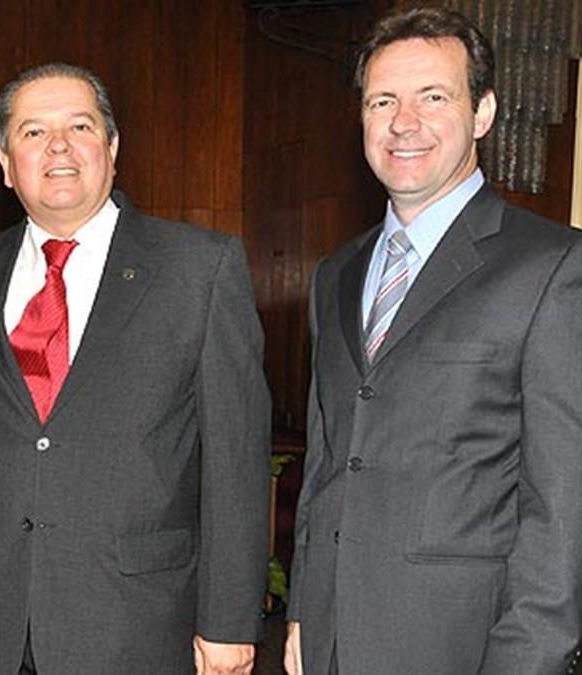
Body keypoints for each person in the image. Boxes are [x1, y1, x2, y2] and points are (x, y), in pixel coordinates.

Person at [285, 7, 582, 674]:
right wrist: (304, 608)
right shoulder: (336, 274)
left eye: (433, 97)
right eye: (382, 100)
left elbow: (563, 507)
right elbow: (329, 465)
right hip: (330, 642)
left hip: (463, 648)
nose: (403, 122)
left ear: (483, 113)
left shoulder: (554, 268)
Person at [0, 62, 271, 675]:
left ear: (113, 148)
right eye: (33, 132)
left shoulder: (198, 269)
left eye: (80, 126)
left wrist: (229, 622)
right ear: (4, 162)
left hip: (137, 624)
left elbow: (236, 461)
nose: (59, 147)